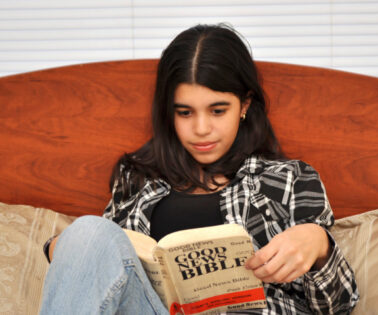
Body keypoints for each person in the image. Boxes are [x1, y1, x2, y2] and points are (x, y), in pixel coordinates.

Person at [41, 24, 359, 314]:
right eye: (185, 112)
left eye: (218, 110)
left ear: (245, 105)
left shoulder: (290, 180)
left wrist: (319, 244)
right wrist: (69, 248)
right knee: (87, 233)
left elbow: (339, 307)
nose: (202, 128)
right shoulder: (136, 179)